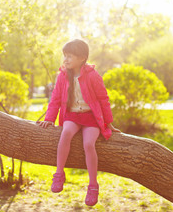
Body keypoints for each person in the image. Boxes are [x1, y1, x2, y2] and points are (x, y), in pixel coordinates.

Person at [37, 39, 120, 206]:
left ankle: (93, 185)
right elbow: (55, 99)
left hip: (90, 118)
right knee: (66, 133)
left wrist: (108, 122)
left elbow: (104, 99)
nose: (66, 60)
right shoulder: (62, 76)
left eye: (70, 56)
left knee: (89, 144)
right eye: (64, 56)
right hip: (72, 116)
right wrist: (49, 119)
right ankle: (59, 174)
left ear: (82, 58)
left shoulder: (92, 76)